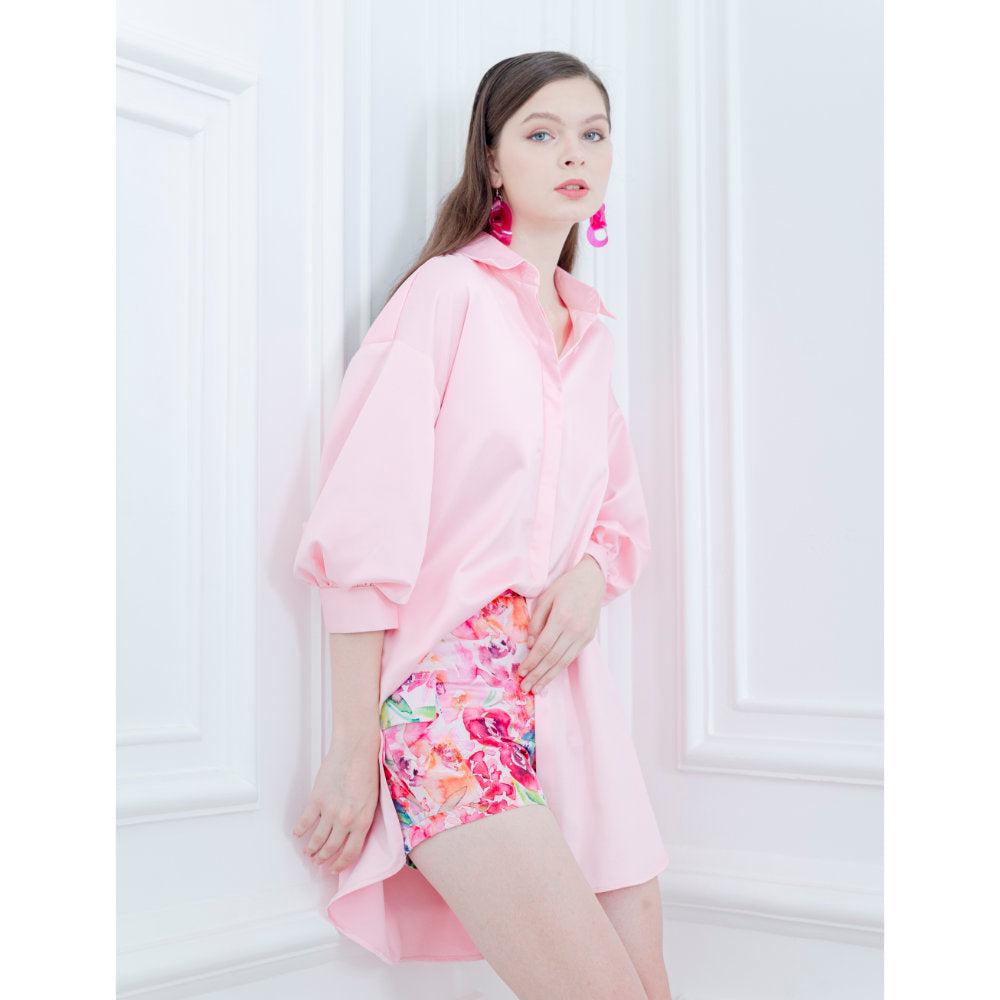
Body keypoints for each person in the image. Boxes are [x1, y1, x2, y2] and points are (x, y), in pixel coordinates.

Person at [290, 51, 675, 1000]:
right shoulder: (446, 295)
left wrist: (589, 577)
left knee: (648, 984)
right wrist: (352, 746)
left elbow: (620, 516)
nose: (574, 152)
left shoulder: (590, 333)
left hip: (568, 697)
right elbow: (364, 527)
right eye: (542, 133)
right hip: (449, 700)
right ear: (493, 160)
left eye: (593, 133)